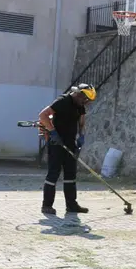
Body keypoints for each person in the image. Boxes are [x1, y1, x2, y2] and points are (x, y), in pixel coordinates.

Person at [37, 83, 95, 217]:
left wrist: (81, 135)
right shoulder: (62, 101)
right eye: (84, 99)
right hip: (57, 143)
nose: (85, 103)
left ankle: (71, 205)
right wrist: (53, 133)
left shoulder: (80, 106)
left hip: (70, 143)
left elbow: (81, 122)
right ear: (79, 94)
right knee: (54, 173)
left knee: (70, 174)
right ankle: (47, 205)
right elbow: (43, 115)